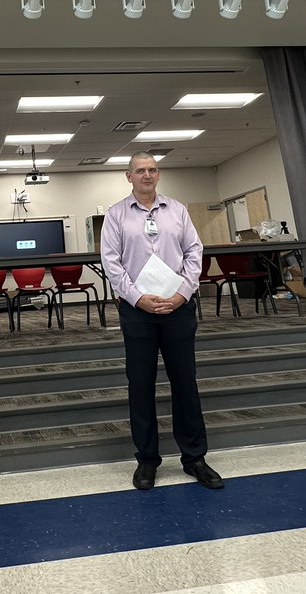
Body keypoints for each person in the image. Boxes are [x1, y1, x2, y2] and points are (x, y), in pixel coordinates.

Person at [100, 151, 224, 492]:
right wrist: (137, 297)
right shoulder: (116, 215)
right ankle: (147, 460)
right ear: (129, 176)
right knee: (140, 385)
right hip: (138, 311)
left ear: (158, 175)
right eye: (140, 170)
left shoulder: (178, 210)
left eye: (153, 170)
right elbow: (111, 262)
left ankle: (195, 458)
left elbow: (194, 252)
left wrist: (183, 293)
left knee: (185, 383)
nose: (147, 175)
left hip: (177, 308)